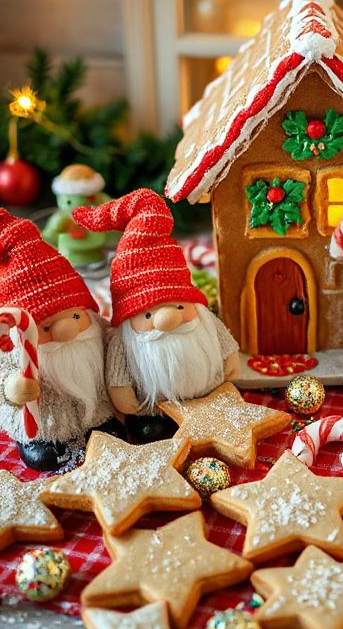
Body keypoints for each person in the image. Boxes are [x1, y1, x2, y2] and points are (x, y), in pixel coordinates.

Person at [73, 188, 240, 443]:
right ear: (130, 316)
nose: (168, 319)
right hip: (154, 408)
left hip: (209, 399)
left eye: (181, 307)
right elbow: (119, 377)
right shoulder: (123, 341)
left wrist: (229, 359)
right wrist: (127, 401)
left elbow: (225, 343)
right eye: (148, 314)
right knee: (151, 435)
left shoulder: (205, 321)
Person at [0, 209, 124, 470]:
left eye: (76, 316)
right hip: (44, 426)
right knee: (45, 456)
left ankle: (97, 425)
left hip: (98, 412)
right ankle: (40, 444)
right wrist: (14, 388)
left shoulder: (99, 332)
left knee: (111, 437)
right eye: (44, 327)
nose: (65, 331)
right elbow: (5, 380)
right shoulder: (13, 351)